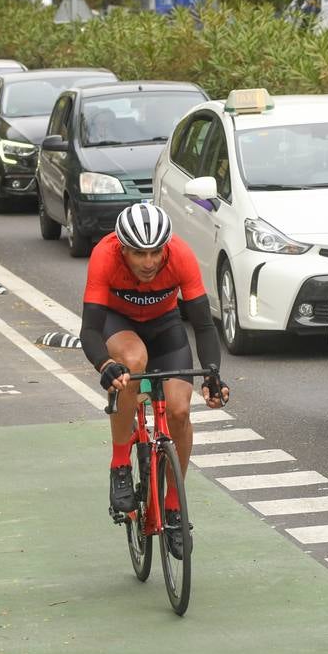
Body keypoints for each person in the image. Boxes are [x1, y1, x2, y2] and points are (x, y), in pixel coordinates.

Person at [80, 203, 229, 556]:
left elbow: (205, 325)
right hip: (120, 325)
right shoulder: (104, 256)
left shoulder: (180, 256)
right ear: (122, 248)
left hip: (165, 328)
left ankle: (174, 507)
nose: (148, 262)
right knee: (133, 362)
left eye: (155, 252)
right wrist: (105, 365)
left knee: (179, 412)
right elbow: (89, 330)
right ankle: (119, 465)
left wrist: (212, 373)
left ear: (166, 247)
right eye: (138, 253)